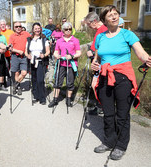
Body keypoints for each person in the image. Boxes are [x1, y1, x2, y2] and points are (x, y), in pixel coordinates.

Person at [91, 5, 151, 160]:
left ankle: (121, 145)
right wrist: (94, 66)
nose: (114, 16)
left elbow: (140, 52)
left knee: (122, 114)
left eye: (116, 14)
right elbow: (97, 57)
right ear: (104, 19)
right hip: (104, 76)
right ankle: (109, 141)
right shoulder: (100, 37)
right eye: (110, 15)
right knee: (108, 113)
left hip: (123, 77)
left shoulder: (127, 34)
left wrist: (147, 59)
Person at [48, 22, 81, 108]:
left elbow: (79, 53)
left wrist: (72, 56)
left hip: (71, 64)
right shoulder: (59, 41)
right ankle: (55, 99)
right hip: (61, 64)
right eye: (66, 29)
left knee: (70, 83)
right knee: (57, 82)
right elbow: (56, 51)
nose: (68, 31)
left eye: (70, 29)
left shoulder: (75, 40)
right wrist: (56, 55)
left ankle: (68, 99)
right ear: (63, 30)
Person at [85, 12, 108, 115]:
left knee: (96, 85)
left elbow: (102, 47)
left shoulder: (103, 30)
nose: (89, 27)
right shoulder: (99, 30)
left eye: (89, 24)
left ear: (94, 22)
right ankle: (100, 106)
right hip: (97, 61)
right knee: (96, 85)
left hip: (101, 63)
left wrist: (93, 53)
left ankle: (102, 107)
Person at [25, 23, 50, 105]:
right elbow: (26, 51)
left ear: (41, 29)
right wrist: (27, 55)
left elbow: (48, 51)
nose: (37, 30)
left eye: (38, 28)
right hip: (32, 61)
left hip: (40, 62)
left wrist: (44, 55)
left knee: (40, 80)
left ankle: (42, 98)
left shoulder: (44, 39)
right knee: (34, 80)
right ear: (33, 30)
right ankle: (36, 96)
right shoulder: (29, 39)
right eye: (35, 28)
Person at [9, 22, 31, 95]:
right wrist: (18, 51)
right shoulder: (12, 36)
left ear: (21, 27)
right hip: (15, 56)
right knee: (16, 73)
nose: (18, 28)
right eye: (16, 26)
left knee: (24, 73)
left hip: (24, 57)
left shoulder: (26, 34)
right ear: (14, 28)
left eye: (20, 26)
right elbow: (10, 48)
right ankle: (18, 87)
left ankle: (15, 84)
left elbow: (33, 38)